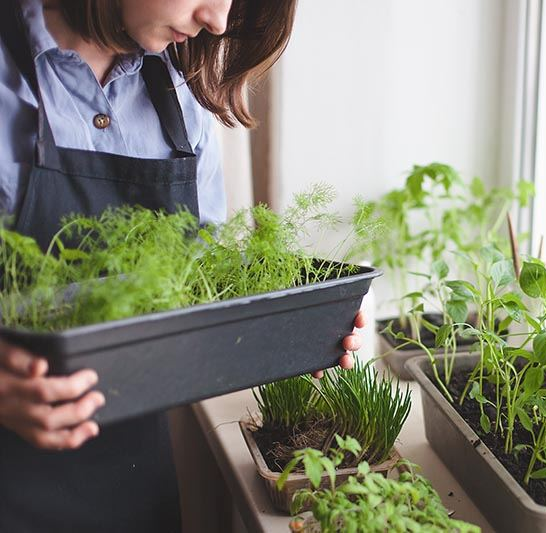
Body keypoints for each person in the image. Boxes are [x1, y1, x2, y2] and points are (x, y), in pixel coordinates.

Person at [0, 1, 365, 531]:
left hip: (132, 487)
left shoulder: (179, 103)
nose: (217, 19)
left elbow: (193, 300)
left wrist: (284, 332)